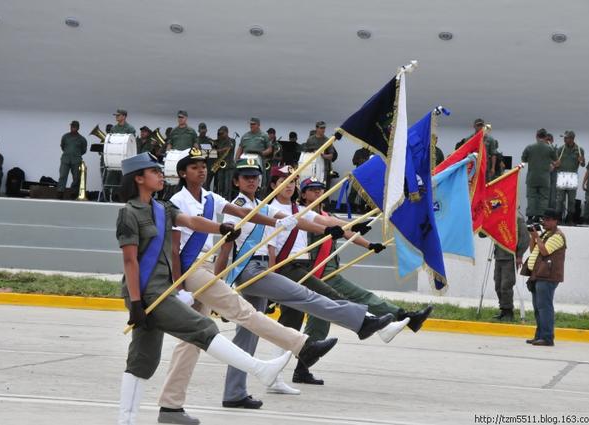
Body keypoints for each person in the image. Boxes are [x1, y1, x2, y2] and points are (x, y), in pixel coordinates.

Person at [156, 150, 337, 424]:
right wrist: (179, 285)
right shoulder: (176, 201)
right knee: (243, 310)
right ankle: (302, 345)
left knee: (190, 341)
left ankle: (170, 406)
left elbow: (244, 213)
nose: (201, 171)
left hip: (207, 265)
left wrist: (279, 221)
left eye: (203, 167)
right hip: (191, 269)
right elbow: (174, 246)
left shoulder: (210, 198)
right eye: (194, 167)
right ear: (183, 173)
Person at [115, 152, 292, 425]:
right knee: (202, 328)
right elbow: (129, 260)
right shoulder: (128, 213)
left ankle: (134, 419)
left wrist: (221, 227)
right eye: (154, 172)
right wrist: (136, 303)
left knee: (143, 359)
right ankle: (260, 369)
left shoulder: (163, 208)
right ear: (139, 178)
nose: (161, 175)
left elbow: (192, 222)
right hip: (148, 293)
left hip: (162, 289)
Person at [216, 162, 404, 406]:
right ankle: (361, 321)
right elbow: (232, 239)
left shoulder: (261, 204)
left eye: (254, 176)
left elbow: (295, 220)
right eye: (245, 177)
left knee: (247, 335)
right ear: (236, 181)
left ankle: (234, 394)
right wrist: (220, 285)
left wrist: (333, 230)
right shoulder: (239, 207)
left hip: (261, 268)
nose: (251, 181)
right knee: (304, 296)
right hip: (249, 270)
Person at [294, 177, 432, 385]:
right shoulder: (303, 216)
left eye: (320, 189)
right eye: (312, 190)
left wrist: (369, 245)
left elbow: (347, 231)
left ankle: (301, 369)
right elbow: (336, 227)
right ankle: (403, 316)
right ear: (303, 194)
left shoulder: (326, 215)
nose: (317, 193)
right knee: (360, 296)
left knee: (318, 326)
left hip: (327, 271)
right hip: (318, 273)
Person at [521, 209, 566, 346]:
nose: (544, 222)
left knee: (544, 307)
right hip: (539, 274)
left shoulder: (557, 236)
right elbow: (533, 249)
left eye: (547, 220)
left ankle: (547, 338)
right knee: (538, 307)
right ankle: (540, 336)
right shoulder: (547, 234)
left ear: (555, 221)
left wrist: (538, 237)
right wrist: (534, 237)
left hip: (548, 276)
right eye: (544, 220)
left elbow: (545, 251)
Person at [492, 216, 530, 321]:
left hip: (510, 257)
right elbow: (485, 233)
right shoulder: (499, 214)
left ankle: (509, 312)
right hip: (499, 256)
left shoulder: (517, 218)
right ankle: (503, 310)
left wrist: (519, 255)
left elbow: (525, 238)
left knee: (506, 285)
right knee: (498, 285)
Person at [521, 128, 558, 223]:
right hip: (545, 178)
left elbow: (523, 159)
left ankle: (530, 218)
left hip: (532, 177)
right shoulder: (550, 148)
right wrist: (551, 165)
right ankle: (540, 217)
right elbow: (556, 160)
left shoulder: (529, 147)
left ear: (536, 136)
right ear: (546, 137)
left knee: (531, 197)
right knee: (543, 198)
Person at [553, 131, 585, 225]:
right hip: (562, 175)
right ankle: (558, 219)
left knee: (571, 200)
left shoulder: (579, 150)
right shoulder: (560, 149)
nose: (564, 139)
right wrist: (555, 164)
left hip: (572, 176)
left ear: (572, 139)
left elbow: (583, 164)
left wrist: (582, 161)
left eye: (566, 138)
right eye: (564, 138)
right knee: (560, 199)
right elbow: (554, 163)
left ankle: (570, 219)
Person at [235, 117, 272, 193]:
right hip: (245, 159)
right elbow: (240, 148)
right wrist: (236, 160)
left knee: (260, 178)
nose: (251, 126)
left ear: (258, 125)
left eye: (253, 124)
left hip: (258, 159)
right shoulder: (245, 136)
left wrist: (262, 153)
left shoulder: (264, 135)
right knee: (246, 176)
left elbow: (269, 149)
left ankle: (259, 192)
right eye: (250, 124)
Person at [299, 121, 337, 189]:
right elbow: (306, 153)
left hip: (324, 169)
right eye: (321, 128)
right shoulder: (310, 139)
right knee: (309, 187)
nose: (323, 130)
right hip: (311, 168)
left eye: (324, 128)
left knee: (322, 188)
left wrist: (324, 156)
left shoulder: (327, 140)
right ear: (316, 128)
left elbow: (331, 156)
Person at [57, 121, 87, 199]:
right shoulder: (65, 137)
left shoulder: (82, 139)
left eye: (74, 126)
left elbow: (84, 150)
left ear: (78, 128)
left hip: (76, 160)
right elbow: (63, 147)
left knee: (76, 178)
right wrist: (68, 153)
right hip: (65, 159)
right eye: (72, 126)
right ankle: (60, 192)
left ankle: (73, 193)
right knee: (62, 176)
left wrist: (76, 154)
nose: (73, 128)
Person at [213, 125, 236, 200]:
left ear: (227, 132)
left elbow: (228, 148)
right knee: (220, 186)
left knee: (228, 186)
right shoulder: (218, 141)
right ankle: (220, 200)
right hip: (220, 166)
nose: (221, 135)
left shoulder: (232, 140)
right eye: (220, 133)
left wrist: (218, 150)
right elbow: (213, 149)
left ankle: (227, 200)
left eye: (222, 133)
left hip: (229, 166)